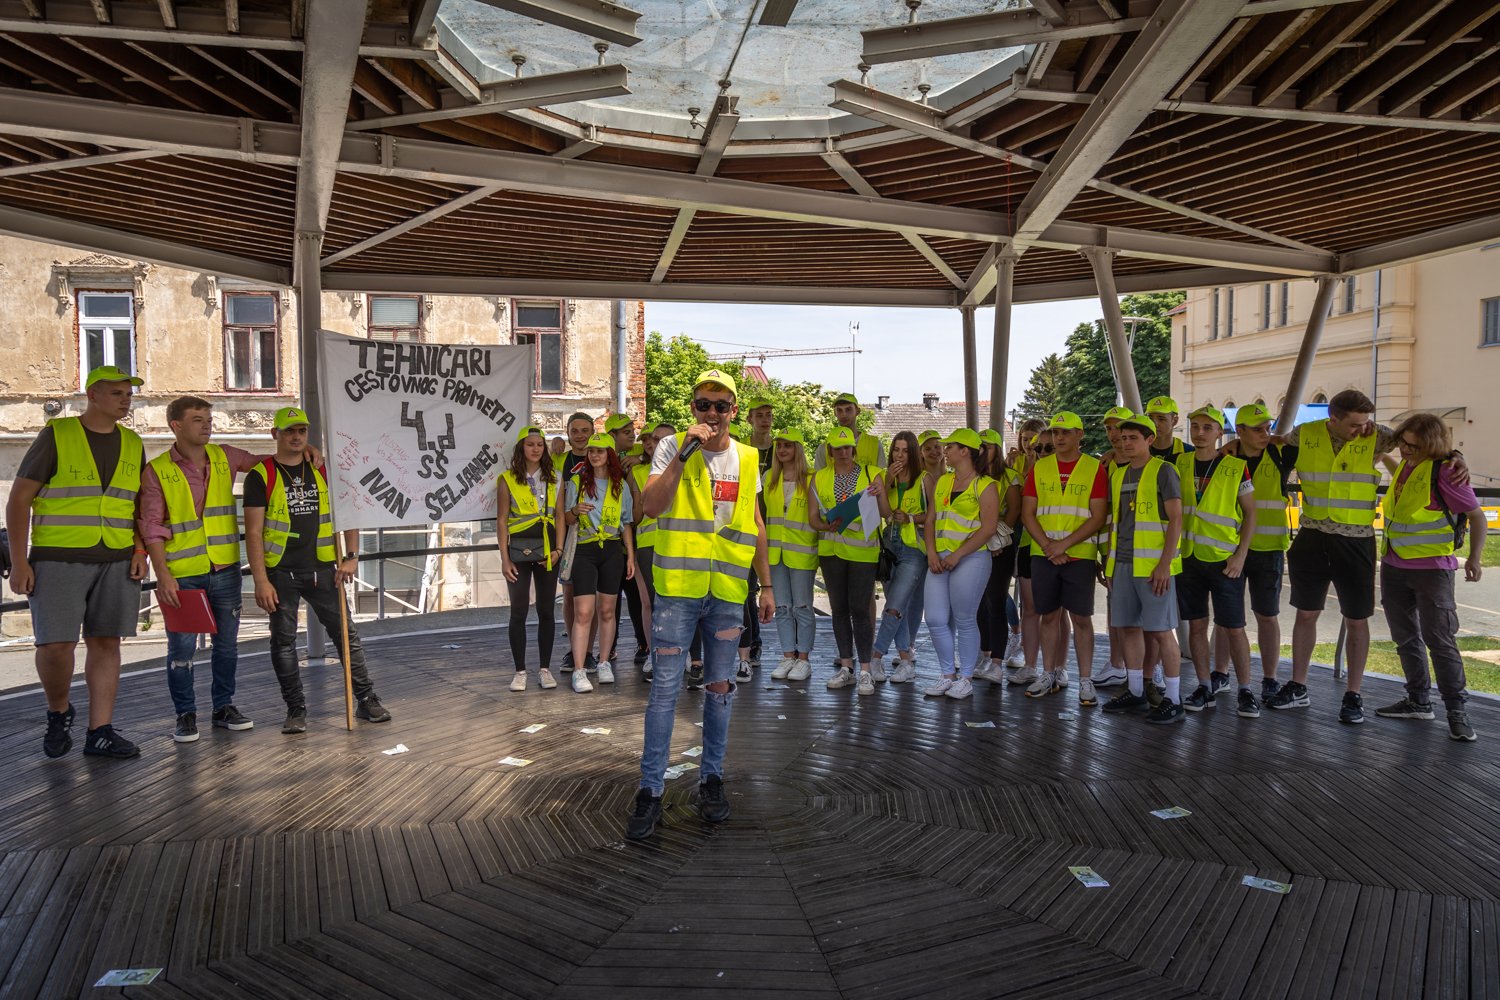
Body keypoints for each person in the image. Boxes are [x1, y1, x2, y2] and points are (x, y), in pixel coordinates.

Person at [627, 369, 774, 840]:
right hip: (678, 591)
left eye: (720, 405)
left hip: (728, 593)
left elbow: (755, 522)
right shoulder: (672, 447)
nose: (712, 412)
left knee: (720, 691)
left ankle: (711, 779)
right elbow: (651, 508)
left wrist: (767, 585)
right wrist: (684, 453)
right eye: (703, 404)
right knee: (665, 692)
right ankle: (651, 790)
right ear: (692, 408)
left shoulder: (747, 457)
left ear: (734, 410)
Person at [1262, 389, 1466, 722]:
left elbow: (1426, 444)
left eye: (1365, 422)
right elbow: (1276, 441)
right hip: (1312, 536)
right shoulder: (1306, 433)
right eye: (1355, 424)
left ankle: (1353, 695)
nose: (1362, 429)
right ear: (1333, 419)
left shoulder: (1379, 436)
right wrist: (1233, 446)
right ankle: (1298, 687)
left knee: (1356, 619)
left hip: (1356, 541)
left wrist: (1456, 457)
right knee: (1305, 614)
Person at [7, 365, 149, 759]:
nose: (126, 400)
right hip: (58, 558)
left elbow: (137, 505)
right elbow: (18, 500)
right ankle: (58, 710)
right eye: (117, 393)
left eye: (129, 394)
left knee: (106, 642)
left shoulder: (133, 442)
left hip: (117, 558)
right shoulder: (58, 434)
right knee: (56, 646)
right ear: (93, 395)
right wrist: (19, 562)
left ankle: (100, 731)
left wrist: (140, 551)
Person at [139, 395, 299, 743]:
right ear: (176, 426)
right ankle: (185, 714)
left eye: (209, 420)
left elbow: (268, 463)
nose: (207, 426)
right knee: (181, 651)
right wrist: (162, 575)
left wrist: (304, 450)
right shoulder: (157, 471)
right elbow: (151, 527)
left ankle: (223, 707)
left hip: (225, 568)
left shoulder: (225, 455)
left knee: (226, 646)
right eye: (198, 420)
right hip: (182, 574)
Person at [244, 407, 391, 733]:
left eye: (301, 431)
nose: (296, 437)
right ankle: (295, 709)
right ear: (275, 434)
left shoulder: (324, 470)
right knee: (283, 642)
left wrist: (351, 556)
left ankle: (366, 699)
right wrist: (260, 580)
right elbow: (253, 532)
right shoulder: (261, 475)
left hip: (324, 569)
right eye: (289, 431)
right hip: (281, 572)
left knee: (346, 635)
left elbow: (349, 514)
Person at [1374, 413, 1488, 740]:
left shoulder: (1447, 471)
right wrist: (1383, 453)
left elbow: (1477, 517)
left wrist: (1475, 558)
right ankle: (1418, 700)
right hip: (1394, 566)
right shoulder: (1407, 466)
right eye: (1403, 443)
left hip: (1432, 570)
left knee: (1439, 640)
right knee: (1406, 638)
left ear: (1432, 445)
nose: (1406, 450)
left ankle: (1456, 711)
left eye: (1414, 446)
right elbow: (1403, 480)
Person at [1098, 414, 1187, 724]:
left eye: (1133, 438)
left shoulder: (1164, 471)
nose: (1125, 443)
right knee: (1128, 628)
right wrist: (1109, 563)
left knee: (1161, 631)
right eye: (1122, 438)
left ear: (1149, 440)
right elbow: (1116, 522)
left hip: (1152, 567)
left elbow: (1176, 519)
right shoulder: (1118, 475)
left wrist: (1164, 564)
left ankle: (1174, 699)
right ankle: (1136, 691)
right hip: (1122, 563)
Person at [1020, 412, 1108, 705]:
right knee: (1048, 616)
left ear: (1080, 435)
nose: (1058, 438)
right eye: (1056, 432)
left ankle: (1085, 680)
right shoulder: (1040, 468)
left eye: (1065, 432)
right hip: (1044, 553)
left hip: (1079, 555)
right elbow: (1028, 513)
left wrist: (1062, 545)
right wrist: (1049, 546)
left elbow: (1098, 516)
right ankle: (1048, 674)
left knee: (1081, 618)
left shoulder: (1094, 468)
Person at [1174, 406, 1256, 714]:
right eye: (1195, 426)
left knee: (1234, 627)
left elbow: (1251, 513)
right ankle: (1204, 686)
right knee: (1196, 625)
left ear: (1220, 432)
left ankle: (1246, 690)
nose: (1200, 433)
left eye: (1207, 428)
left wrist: (1241, 555)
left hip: (1224, 561)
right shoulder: (1179, 462)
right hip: (1188, 558)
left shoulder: (1236, 467)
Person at [919, 429, 1001, 699]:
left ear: (965, 451)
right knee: (934, 618)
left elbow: (988, 528)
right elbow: (931, 519)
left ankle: (965, 678)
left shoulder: (986, 485)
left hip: (971, 558)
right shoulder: (943, 481)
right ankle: (947, 675)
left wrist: (957, 555)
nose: (944, 450)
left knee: (965, 618)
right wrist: (932, 553)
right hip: (940, 557)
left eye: (950, 446)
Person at [810, 426, 886, 694]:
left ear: (854, 449)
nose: (843, 452)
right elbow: (812, 518)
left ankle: (865, 670)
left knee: (860, 610)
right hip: (831, 551)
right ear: (830, 451)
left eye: (847, 447)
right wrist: (825, 525)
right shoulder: (819, 477)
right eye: (837, 448)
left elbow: (885, 511)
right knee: (839, 610)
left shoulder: (872, 473)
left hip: (863, 552)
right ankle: (846, 667)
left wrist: (880, 493)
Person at [1228, 403, 1293, 709]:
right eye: (1257, 429)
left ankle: (1270, 678)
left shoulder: (1281, 454)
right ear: (1239, 431)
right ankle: (1220, 674)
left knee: (1267, 615)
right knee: (1229, 618)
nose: (1265, 434)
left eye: (1268, 428)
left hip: (1268, 550)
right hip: (1230, 548)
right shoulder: (1227, 458)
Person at [558, 432, 635, 691]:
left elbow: (626, 523)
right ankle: (579, 669)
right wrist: (574, 511)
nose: (594, 455)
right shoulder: (577, 482)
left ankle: (604, 662)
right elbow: (567, 518)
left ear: (609, 455)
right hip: (584, 549)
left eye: (600, 451)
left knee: (607, 610)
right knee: (583, 612)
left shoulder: (620, 486)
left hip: (612, 550)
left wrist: (630, 555)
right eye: (591, 450)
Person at [498, 425, 562, 693]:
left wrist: (559, 549)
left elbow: (560, 516)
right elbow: (502, 520)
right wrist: (505, 559)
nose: (535, 449)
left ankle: (545, 669)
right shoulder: (507, 479)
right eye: (530, 444)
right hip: (519, 550)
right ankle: (520, 671)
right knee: (519, 610)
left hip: (548, 549)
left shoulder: (555, 478)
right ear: (521, 448)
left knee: (546, 610)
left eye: (539, 444)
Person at [872, 431, 931, 685]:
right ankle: (906, 660)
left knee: (895, 606)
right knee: (898, 608)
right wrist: (887, 482)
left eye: (905, 451)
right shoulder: (887, 477)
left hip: (914, 548)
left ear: (914, 453)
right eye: (896, 450)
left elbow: (934, 515)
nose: (900, 455)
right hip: (889, 547)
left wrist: (911, 518)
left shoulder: (925, 479)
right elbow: (884, 512)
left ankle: (875, 656)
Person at [765, 430, 818, 683]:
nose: (782, 450)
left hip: (802, 552)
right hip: (775, 552)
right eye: (779, 446)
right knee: (782, 607)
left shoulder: (812, 478)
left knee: (803, 607)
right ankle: (788, 655)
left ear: (798, 448)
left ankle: (803, 659)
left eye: (788, 445)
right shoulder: (769, 478)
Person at [974, 431, 1022, 685]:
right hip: (976, 543)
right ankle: (985, 655)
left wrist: (997, 537)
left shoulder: (1009, 476)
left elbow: (1014, 510)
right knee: (979, 602)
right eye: (979, 446)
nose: (983, 450)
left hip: (1000, 545)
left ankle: (997, 663)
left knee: (996, 600)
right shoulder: (973, 476)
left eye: (988, 446)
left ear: (997, 449)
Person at [737, 396, 777, 680]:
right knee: (747, 590)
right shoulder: (742, 449)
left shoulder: (780, 449)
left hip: (773, 528)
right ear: (749, 418)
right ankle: (752, 643)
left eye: (768, 415)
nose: (764, 420)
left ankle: (761, 645)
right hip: (746, 526)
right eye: (759, 415)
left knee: (765, 590)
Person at [605, 414, 649, 666]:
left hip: (634, 532)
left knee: (636, 595)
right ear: (611, 436)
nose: (632, 434)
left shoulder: (637, 450)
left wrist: (640, 458)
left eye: (632, 429)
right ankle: (609, 647)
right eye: (625, 431)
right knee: (611, 597)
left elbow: (656, 449)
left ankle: (643, 643)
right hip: (611, 535)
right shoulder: (600, 452)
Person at [1006, 418, 1048, 683]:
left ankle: (1047, 662)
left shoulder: (1045, 462)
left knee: (1042, 605)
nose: (1029, 444)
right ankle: (1018, 635)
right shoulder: (1014, 462)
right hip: (1017, 532)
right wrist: (1011, 469)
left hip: (1041, 535)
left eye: (1034, 440)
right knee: (1007, 589)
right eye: (1024, 439)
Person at [557, 412, 595, 675]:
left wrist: (638, 457)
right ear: (568, 434)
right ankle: (574, 649)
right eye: (574, 431)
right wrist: (554, 444)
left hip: (598, 537)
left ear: (593, 432)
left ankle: (589, 652)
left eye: (584, 430)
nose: (580, 435)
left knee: (594, 600)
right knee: (569, 596)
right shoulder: (559, 459)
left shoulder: (603, 455)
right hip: (570, 536)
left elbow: (635, 449)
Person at [630, 423, 663, 681]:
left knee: (676, 601)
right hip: (646, 541)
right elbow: (636, 515)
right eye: (645, 440)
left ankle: (683, 652)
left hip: (676, 540)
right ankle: (654, 652)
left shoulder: (681, 466)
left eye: (654, 438)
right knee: (649, 601)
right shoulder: (637, 471)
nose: (650, 443)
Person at [1145, 396, 1189, 460]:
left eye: (1161, 419)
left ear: (1175, 421)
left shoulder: (1188, 451)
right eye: (1150, 418)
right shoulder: (1137, 450)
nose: (1155, 424)